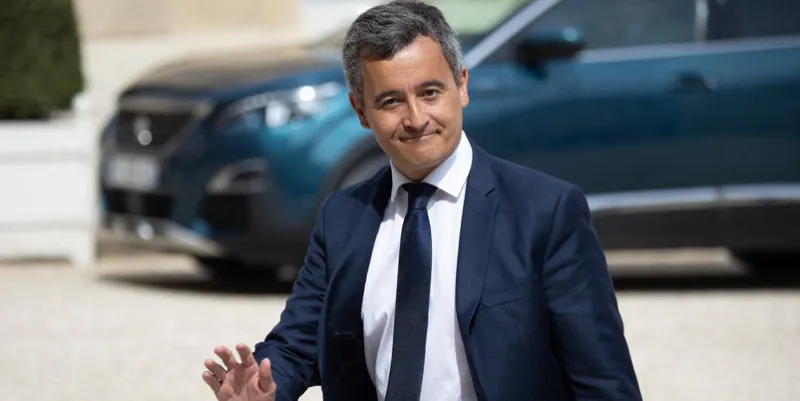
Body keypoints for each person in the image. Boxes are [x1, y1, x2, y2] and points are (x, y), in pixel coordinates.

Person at [201, 1, 642, 400]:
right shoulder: (343, 218)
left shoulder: (545, 212)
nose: (415, 119)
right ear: (360, 111)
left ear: (462, 85)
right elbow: (297, 343)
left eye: (430, 92)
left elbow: (603, 382)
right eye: (391, 101)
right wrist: (263, 386)